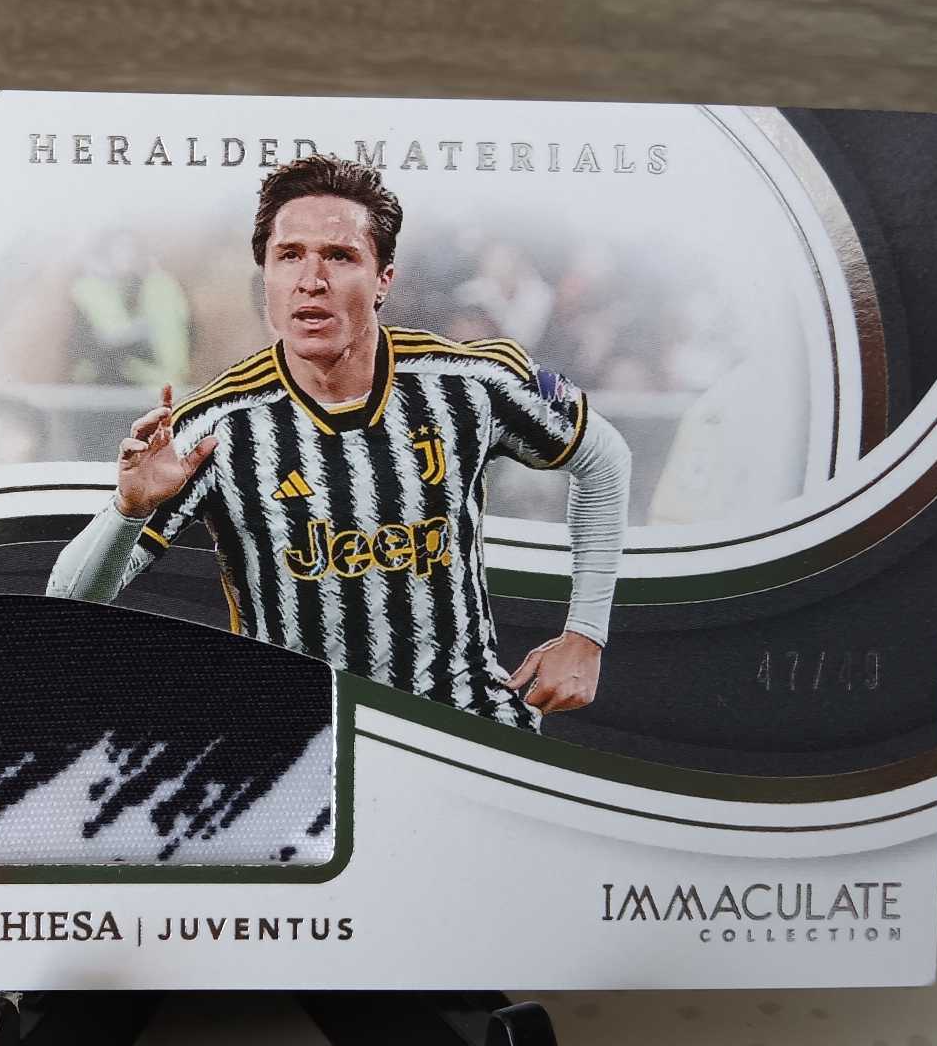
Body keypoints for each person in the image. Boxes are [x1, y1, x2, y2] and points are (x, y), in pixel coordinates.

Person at [48, 156, 630, 729]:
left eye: (340, 255)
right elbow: (69, 599)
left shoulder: (470, 381)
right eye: (289, 255)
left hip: (462, 725)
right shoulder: (215, 425)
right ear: (266, 277)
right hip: (300, 739)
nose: (312, 280)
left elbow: (604, 460)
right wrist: (129, 510)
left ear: (383, 279)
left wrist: (586, 635)